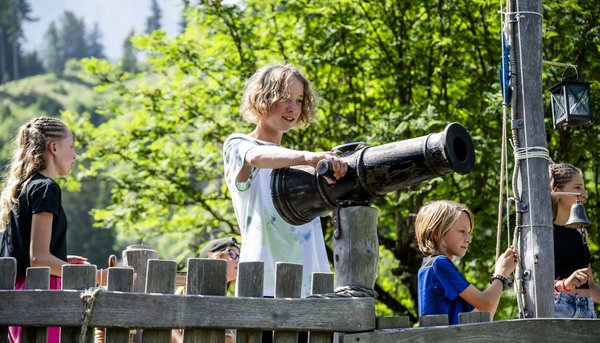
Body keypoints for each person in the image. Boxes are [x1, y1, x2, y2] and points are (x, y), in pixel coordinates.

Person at [222, 64, 348, 299]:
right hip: (262, 284)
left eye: (299, 100)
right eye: (284, 98)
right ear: (263, 98)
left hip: (311, 284)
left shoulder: (302, 162)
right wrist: (308, 158)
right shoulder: (238, 144)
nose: (293, 108)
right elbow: (256, 157)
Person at [0, 116, 106, 343]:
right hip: (41, 293)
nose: (75, 155)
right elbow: (38, 259)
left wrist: (60, 257)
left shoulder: (24, 187)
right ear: (54, 147)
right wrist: (95, 276)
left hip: (17, 292)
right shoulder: (47, 189)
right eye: (72, 146)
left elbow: (21, 253)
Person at [415, 200, 519, 325]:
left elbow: (484, 314)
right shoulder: (439, 265)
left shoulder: (429, 267)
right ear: (438, 233)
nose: (469, 239)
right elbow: (486, 304)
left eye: (469, 232)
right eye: (462, 231)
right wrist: (501, 273)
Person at [549, 162, 599, 318]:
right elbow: (533, 285)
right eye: (577, 188)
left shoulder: (580, 232)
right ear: (557, 192)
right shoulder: (542, 234)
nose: (584, 195)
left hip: (587, 309)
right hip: (558, 309)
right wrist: (564, 284)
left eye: (583, 188)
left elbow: (590, 286)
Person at [171, 237, 241, 343]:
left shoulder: (229, 302)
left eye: (239, 255)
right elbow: (171, 327)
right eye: (232, 254)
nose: (238, 260)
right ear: (212, 256)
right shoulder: (186, 291)